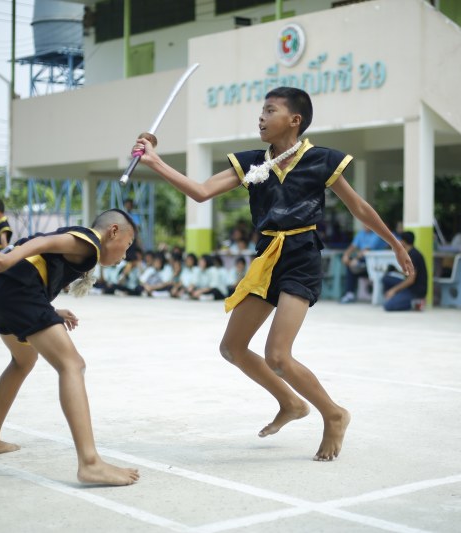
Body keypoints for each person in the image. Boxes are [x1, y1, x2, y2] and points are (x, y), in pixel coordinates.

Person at [131, 86, 413, 461]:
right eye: (261, 111)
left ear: (294, 120)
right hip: (266, 257)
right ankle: (291, 403)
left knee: (278, 355)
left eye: (269, 110)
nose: (261, 117)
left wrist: (395, 243)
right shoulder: (250, 162)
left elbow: (359, 208)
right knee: (231, 348)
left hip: (302, 256)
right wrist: (155, 162)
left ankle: (334, 414)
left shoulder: (322, 159)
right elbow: (200, 192)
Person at [0, 208, 140, 486]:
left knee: (23, 361)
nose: (127, 252)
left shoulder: (85, 249)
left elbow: (38, 265)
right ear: (113, 231)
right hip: (15, 292)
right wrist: (8, 257)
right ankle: (90, 463)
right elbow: (43, 244)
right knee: (72, 365)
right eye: (129, 242)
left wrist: (51, 310)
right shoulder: (89, 241)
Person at [339, 227, 390, 303]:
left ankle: (350, 293)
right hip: (364, 263)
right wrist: (346, 255)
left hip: (376, 265)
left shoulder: (377, 233)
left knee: (353, 266)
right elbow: (353, 246)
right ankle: (349, 294)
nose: (365, 225)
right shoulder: (361, 233)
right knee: (350, 267)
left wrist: (356, 259)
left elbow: (367, 250)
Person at [381, 231, 428, 311]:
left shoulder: (414, 255)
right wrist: (396, 271)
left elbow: (410, 280)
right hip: (410, 287)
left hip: (415, 291)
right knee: (386, 278)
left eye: (399, 240)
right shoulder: (410, 252)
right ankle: (398, 297)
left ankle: (416, 302)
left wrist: (394, 290)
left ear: (403, 242)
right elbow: (408, 274)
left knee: (388, 306)